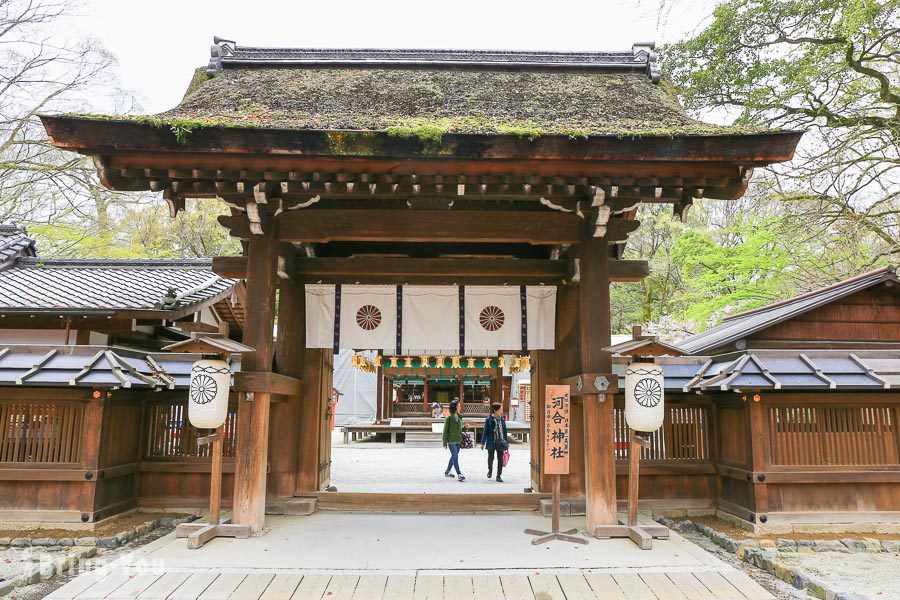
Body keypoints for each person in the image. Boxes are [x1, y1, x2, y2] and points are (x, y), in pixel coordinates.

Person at [481, 402, 508, 482]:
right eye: (500, 409)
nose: (502, 410)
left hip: (501, 441)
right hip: (491, 441)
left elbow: (505, 432)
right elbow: (485, 431)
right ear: (496, 410)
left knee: (500, 459)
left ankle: (498, 475)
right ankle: (490, 471)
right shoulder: (488, 419)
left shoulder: (502, 419)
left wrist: (506, 443)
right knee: (491, 458)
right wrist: (482, 443)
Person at [442, 399, 466, 481]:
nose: (460, 407)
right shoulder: (448, 418)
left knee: (454, 456)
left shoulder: (460, 417)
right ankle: (459, 473)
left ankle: (447, 471)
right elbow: (445, 431)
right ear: (454, 407)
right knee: (455, 456)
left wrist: (465, 427)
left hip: (458, 439)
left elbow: (461, 429)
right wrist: (444, 442)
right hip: (451, 440)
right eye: (458, 406)